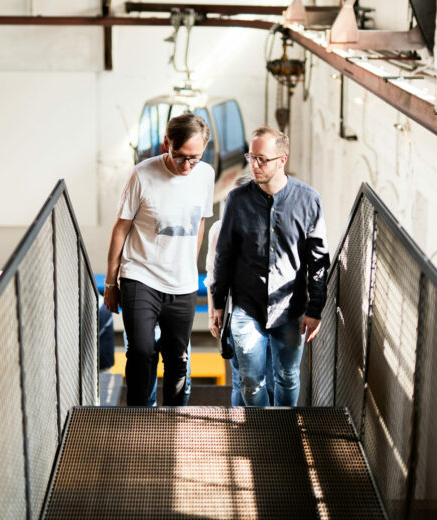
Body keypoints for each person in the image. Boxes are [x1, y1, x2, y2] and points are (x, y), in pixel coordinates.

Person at [211, 126, 329, 407]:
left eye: (262, 159)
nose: (254, 165)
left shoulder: (308, 200)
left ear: (282, 160)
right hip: (246, 308)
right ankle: (261, 435)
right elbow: (224, 255)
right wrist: (218, 304)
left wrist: (315, 309)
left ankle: (285, 431)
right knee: (251, 382)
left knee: (287, 377)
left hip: (290, 309)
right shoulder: (237, 199)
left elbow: (318, 259)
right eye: (251, 157)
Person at [104, 113, 214, 406]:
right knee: (141, 352)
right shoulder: (142, 175)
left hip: (183, 283)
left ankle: (175, 420)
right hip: (141, 276)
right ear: (167, 144)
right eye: (180, 157)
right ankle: (140, 418)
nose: (187, 166)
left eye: (195, 158)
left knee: (177, 359)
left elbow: (199, 222)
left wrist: (189, 264)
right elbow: (121, 228)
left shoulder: (206, 175)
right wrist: (111, 282)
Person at [205, 172, 274, 406]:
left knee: (261, 380)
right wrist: (214, 312)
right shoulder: (219, 229)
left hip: (269, 312)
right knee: (246, 379)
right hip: (240, 313)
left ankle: (265, 430)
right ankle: (250, 431)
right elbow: (212, 276)